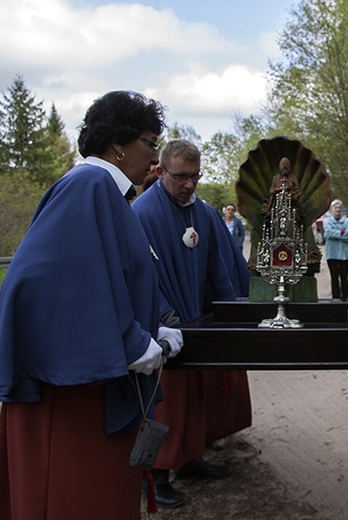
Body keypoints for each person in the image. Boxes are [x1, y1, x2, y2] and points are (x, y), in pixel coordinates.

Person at [0, 91, 184, 520]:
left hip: (97, 380)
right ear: (119, 144)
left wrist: (151, 326)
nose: (155, 158)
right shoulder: (88, 185)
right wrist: (130, 342)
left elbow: (108, 277)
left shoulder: (104, 192)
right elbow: (41, 282)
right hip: (76, 397)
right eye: (150, 142)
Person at [132, 139, 252, 508]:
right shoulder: (141, 214)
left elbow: (223, 264)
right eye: (181, 176)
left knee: (199, 395)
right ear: (160, 171)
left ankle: (191, 457)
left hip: (202, 322)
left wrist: (232, 309)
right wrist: (165, 319)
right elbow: (140, 276)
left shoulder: (205, 212)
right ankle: (157, 474)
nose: (189, 184)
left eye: (195, 176)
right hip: (165, 326)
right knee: (168, 401)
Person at [323, 199, 348, 301]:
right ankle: (336, 296)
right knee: (334, 276)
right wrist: (341, 232)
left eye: (339, 207)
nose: (337, 209)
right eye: (335, 208)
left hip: (344, 253)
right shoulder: (326, 221)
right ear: (331, 210)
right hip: (331, 253)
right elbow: (328, 233)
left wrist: (336, 234)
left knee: (344, 275)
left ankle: (346, 295)